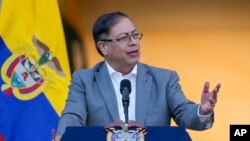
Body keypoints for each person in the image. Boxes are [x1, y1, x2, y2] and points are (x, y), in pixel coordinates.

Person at [55, 11, 221, 140]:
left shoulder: (164, 79)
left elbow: (184, 113)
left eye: (135, 35)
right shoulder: (84, 80)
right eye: (124, 38)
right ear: (103, 47)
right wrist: (62, 136)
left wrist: (202, 111)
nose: (133, 42)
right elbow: (72, 116)